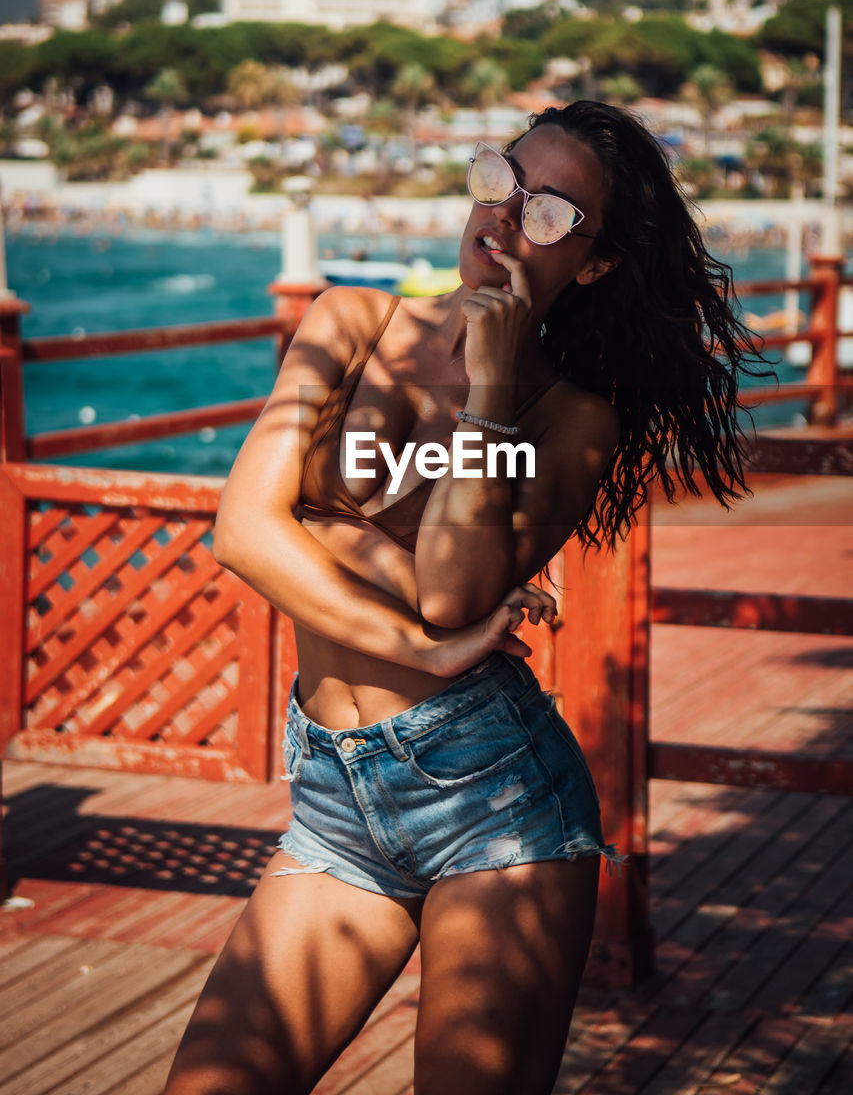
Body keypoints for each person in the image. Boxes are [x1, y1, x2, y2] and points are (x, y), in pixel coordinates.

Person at [164, 101, 759, 1095]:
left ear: (596, 261)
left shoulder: (575, 417)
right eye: (501, 181)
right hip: (333, 796)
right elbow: (241, 532)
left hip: (493, 804)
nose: (504, 217)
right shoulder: (350, 322)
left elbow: (449, 587)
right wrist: (416, 638)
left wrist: (483, 386)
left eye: (549, 212)